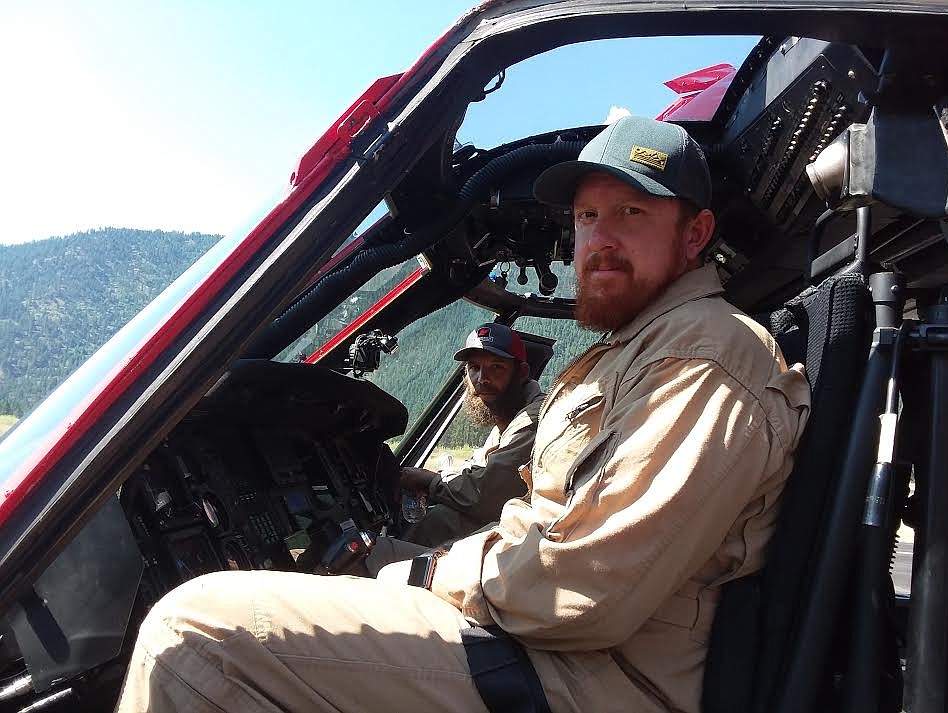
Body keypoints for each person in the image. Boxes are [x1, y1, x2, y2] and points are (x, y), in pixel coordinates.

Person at [114, 115, 810, 713]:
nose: (599, 240)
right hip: (561, 653)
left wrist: (419, 572)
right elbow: (546, 532)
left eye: (632, 213)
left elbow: (592, 586)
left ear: (695, 234)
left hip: (594, 679)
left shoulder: (703, 359)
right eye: (586, 216)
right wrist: (430, 561)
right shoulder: (643, 347)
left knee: (194, 637)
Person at [365, 323, 545, 572]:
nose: (482, 379)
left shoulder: (532, 420)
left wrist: (430, 482)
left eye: (497, 367)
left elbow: (485, 493)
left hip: (513, 551)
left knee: (370, 555)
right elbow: (476, 471)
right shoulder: (508, 419)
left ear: (522, 373)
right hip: (499, 540)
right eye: (474, 367)